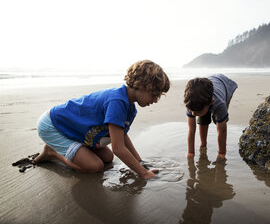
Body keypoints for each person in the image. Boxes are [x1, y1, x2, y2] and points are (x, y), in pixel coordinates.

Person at [34, 60, 169, 179]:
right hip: (53, 125)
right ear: (142, 85)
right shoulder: (117, 102)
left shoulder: (130, 107)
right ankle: (52, 152)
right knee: (95, 166)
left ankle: (75, 150)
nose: (156, 100)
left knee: (107, 158)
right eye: (154, 94)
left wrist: (140, 163)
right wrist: (143, 173)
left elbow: (122, 136)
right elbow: (118, 148)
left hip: (74, 128)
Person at [183, 74, 237, 159]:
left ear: (211, 102)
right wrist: (190, 152)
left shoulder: (219, 104)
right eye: (191, 111)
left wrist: (221, 153)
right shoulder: (191, 102)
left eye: (196, 111)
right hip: (205, 90)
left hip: (225, 85)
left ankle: (222, 148)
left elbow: (222, 131)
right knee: (202, 119)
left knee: (220, 121)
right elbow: (191, 129)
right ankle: (203, 143)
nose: (193, 114)